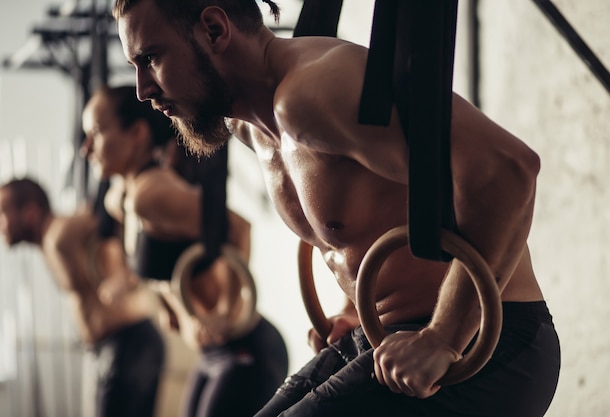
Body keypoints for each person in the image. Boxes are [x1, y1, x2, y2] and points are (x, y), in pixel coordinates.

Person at [112, 1, 561, 416]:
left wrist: (443, 336)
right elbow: (366, 218)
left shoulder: (312, 92)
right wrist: (353, 305)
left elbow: (509, 171)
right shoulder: (251, 127)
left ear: (214, 29)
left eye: (150, 58)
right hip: (388, 337)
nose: (141, 90)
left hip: (492, 343)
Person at [80, 84, 289, 417]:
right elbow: (162, 264)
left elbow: (237, 227)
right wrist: (169, 308)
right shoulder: (119, 199)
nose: (85, 148)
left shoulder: (150, 195)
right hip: (210, 355)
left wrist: (227, 310)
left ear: (137, 133)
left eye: (96, 132)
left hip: (245, 349)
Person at [0, 177, 165, 417]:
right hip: (115, 350)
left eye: (4, 212)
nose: (1, 224)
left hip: (129, 347)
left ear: (31, 213)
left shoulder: (60, 235)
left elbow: (102, 216)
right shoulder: (51, 241)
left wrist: (126, 277)